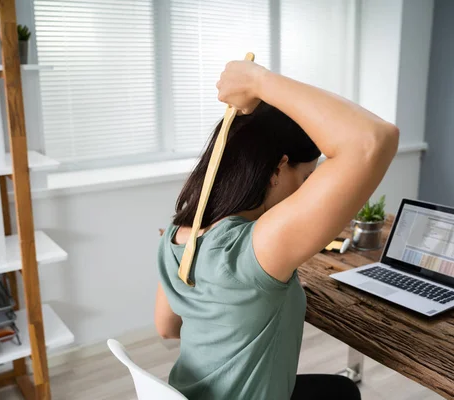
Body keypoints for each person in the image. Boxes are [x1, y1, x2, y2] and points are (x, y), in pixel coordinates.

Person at [155, 60, 399, 399]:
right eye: (306, 178)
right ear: (278, 168)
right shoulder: (255, 249)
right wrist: (259, 81)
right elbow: (374, 139)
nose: (306, 190)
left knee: (339, 390)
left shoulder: (176, 234)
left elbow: (167, 328)